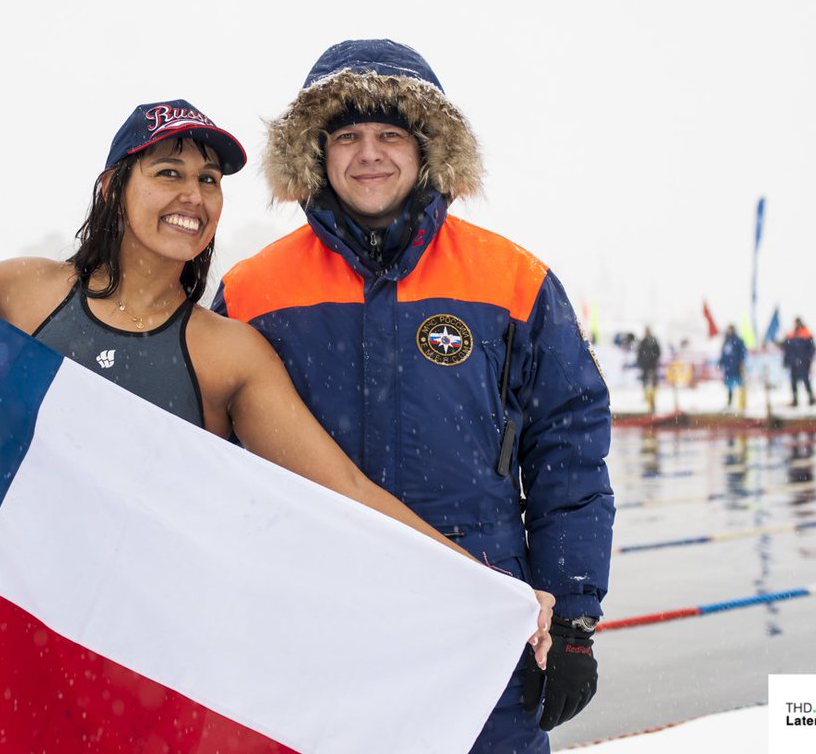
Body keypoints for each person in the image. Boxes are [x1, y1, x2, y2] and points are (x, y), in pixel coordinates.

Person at [0, 98, 553, 750]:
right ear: (113, 186)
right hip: (20, 637)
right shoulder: (24, 294)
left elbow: (342, 486)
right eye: (168, 172)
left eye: (209, 179)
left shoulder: (225, 353)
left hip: (150, 662)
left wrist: (483, 582)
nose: (193, 194)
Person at [213, 40, 614, 752]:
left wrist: (575, 621)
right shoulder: (251, 291)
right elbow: (210, 456)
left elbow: (569, 451)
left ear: (427, 148)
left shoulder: (511, 280)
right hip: (311, 625)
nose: (369, 154)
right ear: (317, 151)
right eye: (348, 136)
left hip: (478, 619)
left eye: (390, 135)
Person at [782, 316, 816, 406]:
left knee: (806, 380)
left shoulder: (807, 333)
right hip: (794, 362)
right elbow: (786, 348)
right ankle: (795, 400)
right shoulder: (791, 334)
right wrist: (786, 361)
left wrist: (809, 358)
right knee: (793, 382)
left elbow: (812, 348)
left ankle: (811, 398)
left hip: (804, 362)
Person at [719, 324, 747, 409]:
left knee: (740, 384)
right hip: (728, 368)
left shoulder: (738, 340)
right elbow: (723, 354)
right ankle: (730, 402)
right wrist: (721, 363)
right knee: (729, 386)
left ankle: (742, 403)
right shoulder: (726, 341)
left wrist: (741, 363)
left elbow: (742, 353)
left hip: (737, 367)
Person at [636, 326, 662, 413]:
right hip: (645, 367)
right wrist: (642, 362)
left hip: (652, 366)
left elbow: (658, 353)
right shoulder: (643, 342)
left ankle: (652, 401)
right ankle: (648, 401)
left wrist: (652, 361)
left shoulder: (653, 341)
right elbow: (639, 354)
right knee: (646, 383)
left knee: (653, 384)